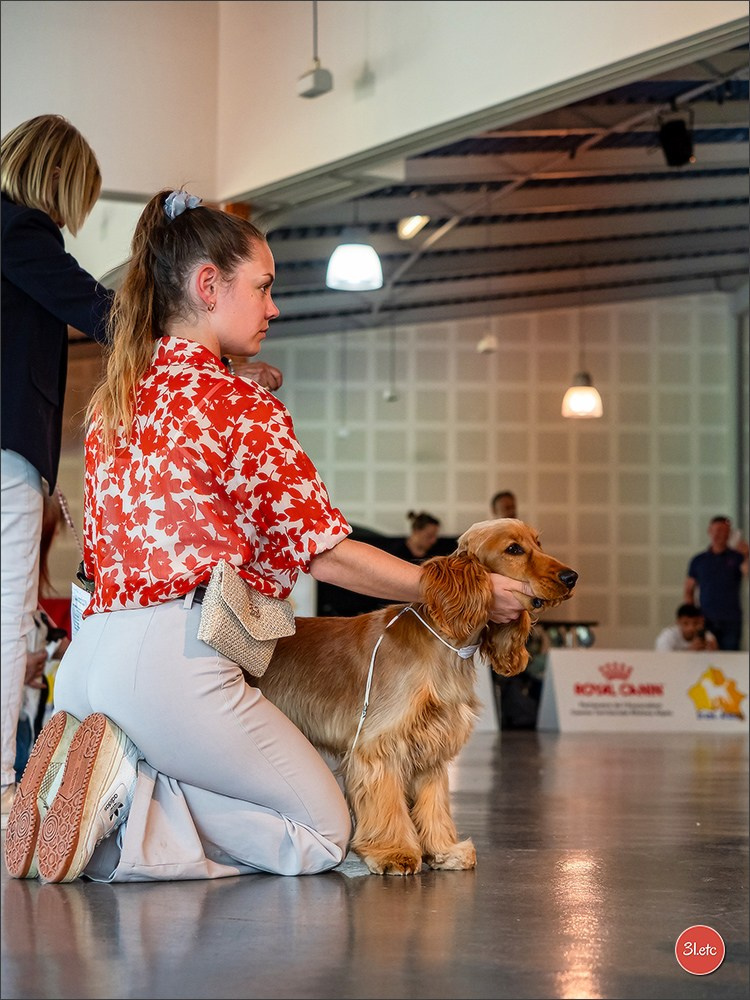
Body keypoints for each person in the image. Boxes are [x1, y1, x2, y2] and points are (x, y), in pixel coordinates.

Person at [5, 188, 533, 884]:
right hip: (177, 661)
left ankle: (97, 789)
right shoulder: (237, 403)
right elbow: (328, 552)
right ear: (206, 284)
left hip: (90, 651)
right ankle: (133, 789)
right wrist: (455, 585)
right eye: (263, 287)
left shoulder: (116, 400)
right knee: (321, 832)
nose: (274, 306)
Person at [684, 516, 749, 651]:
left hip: (731, 620)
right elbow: (688, 590)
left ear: (729, 534)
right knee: (703, 658)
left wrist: (746, 555)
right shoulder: (699, 560)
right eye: (716, 530)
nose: (719, 534)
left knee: (730, 659)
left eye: (724, 531)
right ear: (709, 531)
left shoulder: (736, 557)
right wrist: (691, 618)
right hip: (705, 619)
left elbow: (747, 573)